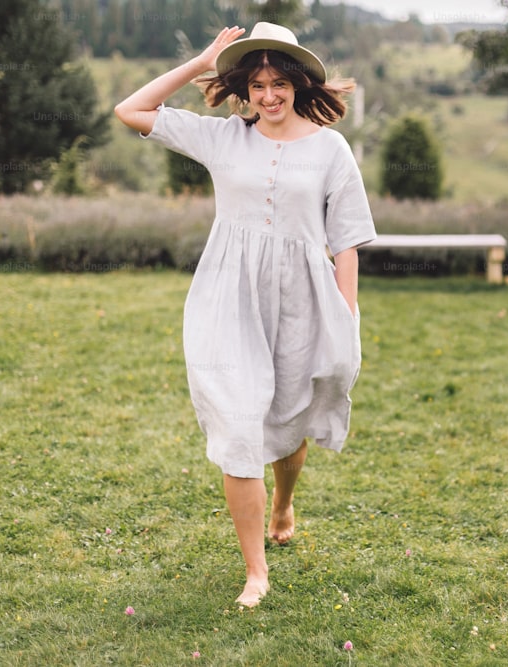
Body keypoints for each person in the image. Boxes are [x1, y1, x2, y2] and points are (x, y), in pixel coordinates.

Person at [114, 22, 376, 609]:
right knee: (239, 428)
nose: (268, 95)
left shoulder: (331, 149)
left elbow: (348, 241)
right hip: (227, 301)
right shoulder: (223, 139)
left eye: (279, 82)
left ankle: (284, 501)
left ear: (299, 84)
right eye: (256, 84)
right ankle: (255, 570)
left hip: (305, 303)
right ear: (242, 89)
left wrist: (346, 319)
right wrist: (200, 60)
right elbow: (131, 109)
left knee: (289, 419)